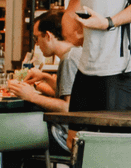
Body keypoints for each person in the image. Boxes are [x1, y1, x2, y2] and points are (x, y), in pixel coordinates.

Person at [7, 11, 81, 152]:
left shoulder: (69, 60)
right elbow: (73, 93)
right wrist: (45, 77)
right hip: (72, 133)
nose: (37, 44)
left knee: (13, 134)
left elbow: (68, 108)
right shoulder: (75, 53)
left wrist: (32, 96)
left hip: (63, 136)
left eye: (36, 38)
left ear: (48, 36)